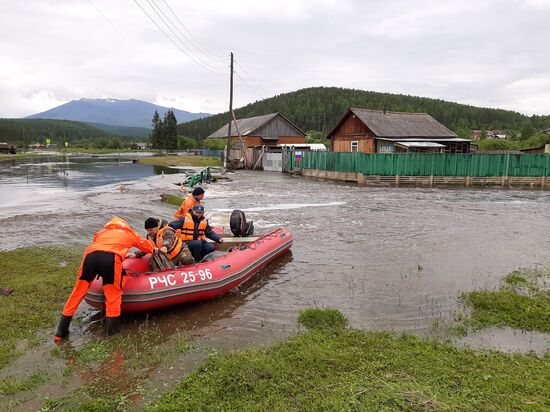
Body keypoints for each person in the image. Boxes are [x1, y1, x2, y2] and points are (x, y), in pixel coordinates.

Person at [54, 217, 155, 340]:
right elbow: (149, 247)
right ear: (125, 225)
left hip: (90, 257)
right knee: (113, 296)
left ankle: (60, 332)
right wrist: (158, 249)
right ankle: (111, 333)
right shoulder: (130, 233)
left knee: (77, 292)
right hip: (110, 259)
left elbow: (98, 244)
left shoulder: (101, 233)